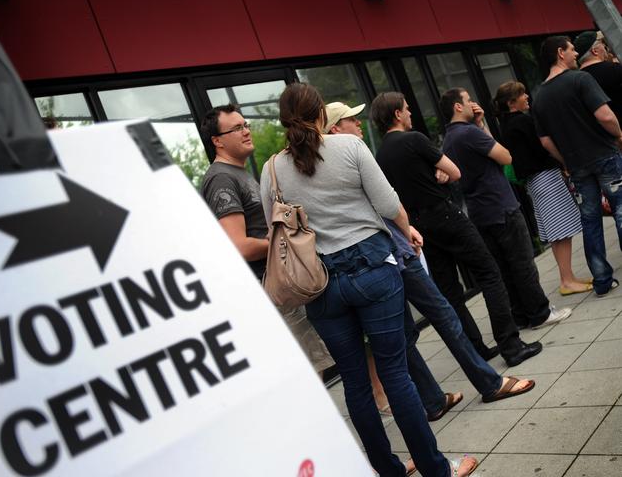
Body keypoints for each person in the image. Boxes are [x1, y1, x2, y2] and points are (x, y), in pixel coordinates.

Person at [261, 83, 477, 477]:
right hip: (372, 267)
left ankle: (389, 471)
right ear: (320, 115)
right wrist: (407, 228)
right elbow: (388, 203)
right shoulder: (349, 148)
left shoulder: (272, 168)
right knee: (395, 373)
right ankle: (436, 469)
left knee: (356, 384)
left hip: (320, 284)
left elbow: (274, 228)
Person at [327, 100, 536, 423]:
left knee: (409, 329)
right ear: (334, 129)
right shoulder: (362, 151)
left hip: (381, 251)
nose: (358, 125)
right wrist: (404, 225)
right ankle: (496, 371)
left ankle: (434, 400)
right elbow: (391, 200)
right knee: (453, 304)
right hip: (398, 244)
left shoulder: (358, 155)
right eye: (351, 120)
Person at [370, 91, 542, 367]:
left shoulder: (381, 155)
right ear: (397, 114)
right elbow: (455, 172)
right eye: (407, 108)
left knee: (450, 291)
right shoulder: (414, 139)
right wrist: (440, 174)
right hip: (445, 215)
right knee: (489, 273)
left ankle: (477, 350)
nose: (411, 112)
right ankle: (511, 345)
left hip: (418, 225)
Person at [200, 105, 333, 374]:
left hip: (283, 287)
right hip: (272, 290)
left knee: (316, 369)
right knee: (305, 375)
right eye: (236, 128)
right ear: (217, 141)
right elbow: (239, 247)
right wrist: (285, 243)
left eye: (245, 124)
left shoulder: (237, 171)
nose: (246, 131)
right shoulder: (221, 179)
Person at [439, 87, 572, 331]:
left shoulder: (448, 139)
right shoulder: (470, 132)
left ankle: (520, 315)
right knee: (521, 262)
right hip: (500, 205)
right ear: (458, 107)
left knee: (505, 268)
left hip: (479, 211)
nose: (473, 103)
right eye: (468, 100)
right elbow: (505, 156)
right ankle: (540, 313)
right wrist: (481, 126)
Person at [533, 35, 622, 296]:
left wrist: (566, 160)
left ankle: (602, 280)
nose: (575, 54)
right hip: (604, 155)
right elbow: (604, 115)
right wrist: (618, 136)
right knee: (620, 209)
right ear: (561, 53)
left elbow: (546, 141)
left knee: (590, 219)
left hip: (577, 165)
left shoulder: (540, 97)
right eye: (572, 50)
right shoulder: (581, 79)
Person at [493, 81, 592, 296]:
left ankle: (568, 277)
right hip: (545, 178)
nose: (527, 96)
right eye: (521, 95)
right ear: (511, 102)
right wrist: (564, 162)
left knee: (557, 231)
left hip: (535, 182)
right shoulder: (522, 121)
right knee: (562, 230)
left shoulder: (507, 123)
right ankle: (567, 279)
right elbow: (543, 146)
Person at [574, 31, 622, 123]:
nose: (605, 47)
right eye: (602, 44)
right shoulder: (615, 69)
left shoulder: (575, 80)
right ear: (594, 51)